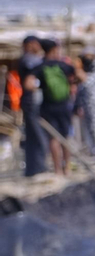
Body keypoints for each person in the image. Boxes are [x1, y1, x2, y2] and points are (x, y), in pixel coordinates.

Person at [37, 38, 76, 176]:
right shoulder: (63, 65)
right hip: (64, 105)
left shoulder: (40, 66)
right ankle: (67, 168)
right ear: (54, 49)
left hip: (47, 106)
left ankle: (57, 169)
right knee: (66, 136)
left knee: (53, 138)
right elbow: (78, 77)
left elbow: (31, 84)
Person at [16, 35, 49, 177]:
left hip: (35, 103)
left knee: (34, 137)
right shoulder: (29, 60)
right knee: (38, 137)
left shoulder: (34, 60)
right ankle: (38, 168)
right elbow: (31, 81)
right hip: (31, 104)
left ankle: (34, 168)